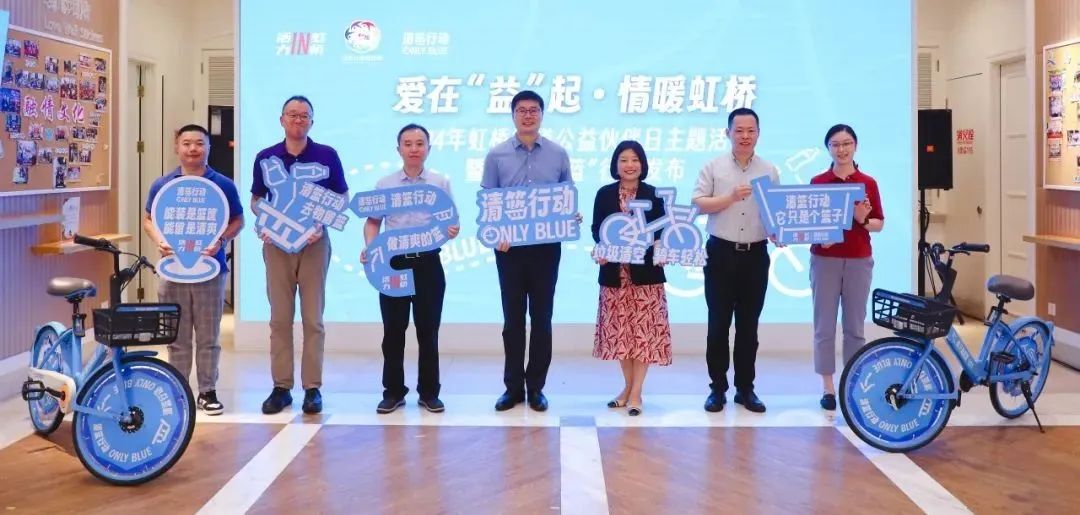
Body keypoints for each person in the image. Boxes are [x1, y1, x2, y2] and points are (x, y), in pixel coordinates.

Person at [482, 90, 579, 412]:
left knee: (542, 319)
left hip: (546, 249)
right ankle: (512, 388)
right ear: (513, 115)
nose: (528, 115)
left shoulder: (558, 154)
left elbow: (565, 197)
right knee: (512, 320)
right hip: (509, 249)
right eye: (521, 110)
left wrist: (571, 215)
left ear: (542, 114)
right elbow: (488, 202)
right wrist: (496, 233)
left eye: (533, 110)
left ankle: (536, 387)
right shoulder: (496, 155)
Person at [251, 95, 348, 415]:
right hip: (276, 245)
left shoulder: (326, 155)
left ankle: (312, 388)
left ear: (312, 122)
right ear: (281, 120)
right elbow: (256, 200)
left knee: (312, 318)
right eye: (292, 114)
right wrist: (265, 221)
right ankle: (281, 387)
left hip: (314, 243)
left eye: (304, 115)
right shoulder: (266, 157)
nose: (298, 120)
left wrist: (321, 222)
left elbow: (342, 197)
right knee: (280, 319)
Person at [143, 124, 244, 415]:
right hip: (172, 270)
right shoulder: (163, 185)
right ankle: (179, 390)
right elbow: (148, 219)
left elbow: (238, 220)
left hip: (211, 270)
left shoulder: (223, 184)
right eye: (186, 143)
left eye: (199, 143)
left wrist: (221, 240)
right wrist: (159, 241)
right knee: (176, 334)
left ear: (208, 147)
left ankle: (207, 391)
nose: (192, 148)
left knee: (209, 336)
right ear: (177, 147)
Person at [361, 124, 460, 414]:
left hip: (428, 263)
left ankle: (429, 393)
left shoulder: (440, 182)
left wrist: (452, 229)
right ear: (399, 149)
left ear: (429, 148)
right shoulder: (385, 184)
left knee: (428, 331)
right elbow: (372, 222)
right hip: (394, 263)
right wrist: (371, 248)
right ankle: (393, 392)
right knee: (393, 330)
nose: (414, 148)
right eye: (408, 143)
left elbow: (451, 221)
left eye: (419, 143)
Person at [691, 107, 779, 414]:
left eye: (750, 130)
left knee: (748, 326)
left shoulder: (769, 170)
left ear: (758, 134)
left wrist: (778, 231)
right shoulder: (713, 167)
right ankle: (717, 389)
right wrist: (729, 198)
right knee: (718, 324)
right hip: (720, 253)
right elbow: (698, 204)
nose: (745, 136)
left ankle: (745, 388)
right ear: (727, 132)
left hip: (755, 254)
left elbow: (775, 212)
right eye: (738, 130)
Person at [591, 140, 672, 416]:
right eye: (624, 159)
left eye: (635, 159)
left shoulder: (654, 194)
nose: (629, 165)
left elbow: (663, 231)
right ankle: (627, 388)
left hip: (646, 276)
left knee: (643, 336)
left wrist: (661, 247)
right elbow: (597, 229)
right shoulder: (604, 194)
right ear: (616, 164)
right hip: (615, 275)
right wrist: (602, 248)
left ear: (643, 164)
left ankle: (636, 393)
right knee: (621, 336)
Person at [810, 124, 884, 410]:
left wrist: (861, 218)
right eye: (835, 144)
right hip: (824, 260)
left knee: (854, 325)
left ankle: (852, 383)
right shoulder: (818, 182)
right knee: (824, 325)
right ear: (828, 148)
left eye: (847, 143)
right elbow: (810, 223)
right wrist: (822, 236)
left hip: (858, 259)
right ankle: (828, 387)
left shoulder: (868, 183)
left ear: (855, 146)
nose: (841, 150)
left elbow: (878, 224)